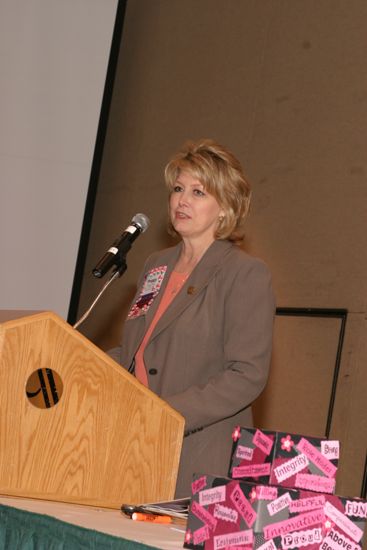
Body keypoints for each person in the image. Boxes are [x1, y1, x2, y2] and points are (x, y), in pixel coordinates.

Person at [109, 138, 275, 497]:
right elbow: (133, 352)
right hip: (134, 444)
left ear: (225, 208)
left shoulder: (244, 274)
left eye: (198, 192)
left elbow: (247, 375)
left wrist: (167, 415)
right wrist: (80, 365)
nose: (182, 200)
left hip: (197, 453)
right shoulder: (157, 265)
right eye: (178, 189)